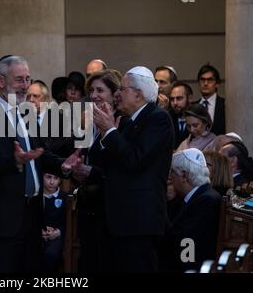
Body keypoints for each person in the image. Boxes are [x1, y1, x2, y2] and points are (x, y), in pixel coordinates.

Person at [0, 56, 72, 273]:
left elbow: (41, 154)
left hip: (32, 215)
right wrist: (13, 161)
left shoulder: (26, 111)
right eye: (19, 80)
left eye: (27, 79)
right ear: (1, 80)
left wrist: (64, 165)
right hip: (1, 219)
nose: (25, 85)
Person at [92, 66, 174, 272]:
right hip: (120, 220)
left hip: (140, 221)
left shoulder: (157, 118)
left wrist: (109, 130)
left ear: (138, 94)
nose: (117, 94)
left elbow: (135, 160)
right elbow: (103, 160)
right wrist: (107, 131)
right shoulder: (127, 121)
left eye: (123, 89)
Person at [71, 69, 122, 272]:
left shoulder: (121, 123)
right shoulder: (88, 124)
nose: (93, 95)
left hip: (111, 209)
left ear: (115, 93)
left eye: (100, 90)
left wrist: (90, 171)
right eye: (91, 90)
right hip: (89, 205)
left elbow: (118, 167)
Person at [161, 148, 222, 272]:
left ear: (184, 175)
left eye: (172, 172)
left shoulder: (207, 200)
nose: (170, 177)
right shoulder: (194, 195)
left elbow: (186, 242)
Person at [42, 172, 67, 272]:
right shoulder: (36, 196)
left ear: (60, 180)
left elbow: (67, 221)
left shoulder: (64, 197)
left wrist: (58, 232)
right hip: (39, 234)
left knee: (51, 254)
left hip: (57, 236)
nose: (52, 182)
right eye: (48, 177)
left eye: (55, 178)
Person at [196, 63, 226, 135]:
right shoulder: (192, 107)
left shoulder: (225, 104)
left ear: (217, 84)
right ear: (198, 83)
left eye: (210, 80)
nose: (205, 83)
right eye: (202, 80)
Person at [169, 81, 193, 149]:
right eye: (172, 99)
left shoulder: (198, 119)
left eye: (179, 98)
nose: (175, 103)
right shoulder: (168, 119)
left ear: (190, 98)